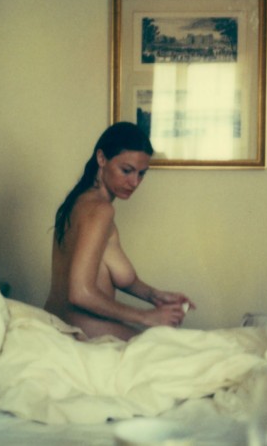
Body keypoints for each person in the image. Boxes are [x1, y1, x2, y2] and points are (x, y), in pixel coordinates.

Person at [44, 122, 195, 341]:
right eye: (126, 170)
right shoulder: (100, 210)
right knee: (177, 349)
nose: (134, 182)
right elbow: (80, 293)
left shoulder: (81, 202)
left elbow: (108, 272)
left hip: (62, 325)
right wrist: (146, 317)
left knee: (176, 348)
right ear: (101, 158)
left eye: (142, 174)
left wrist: (155, 296)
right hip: (80, 332)